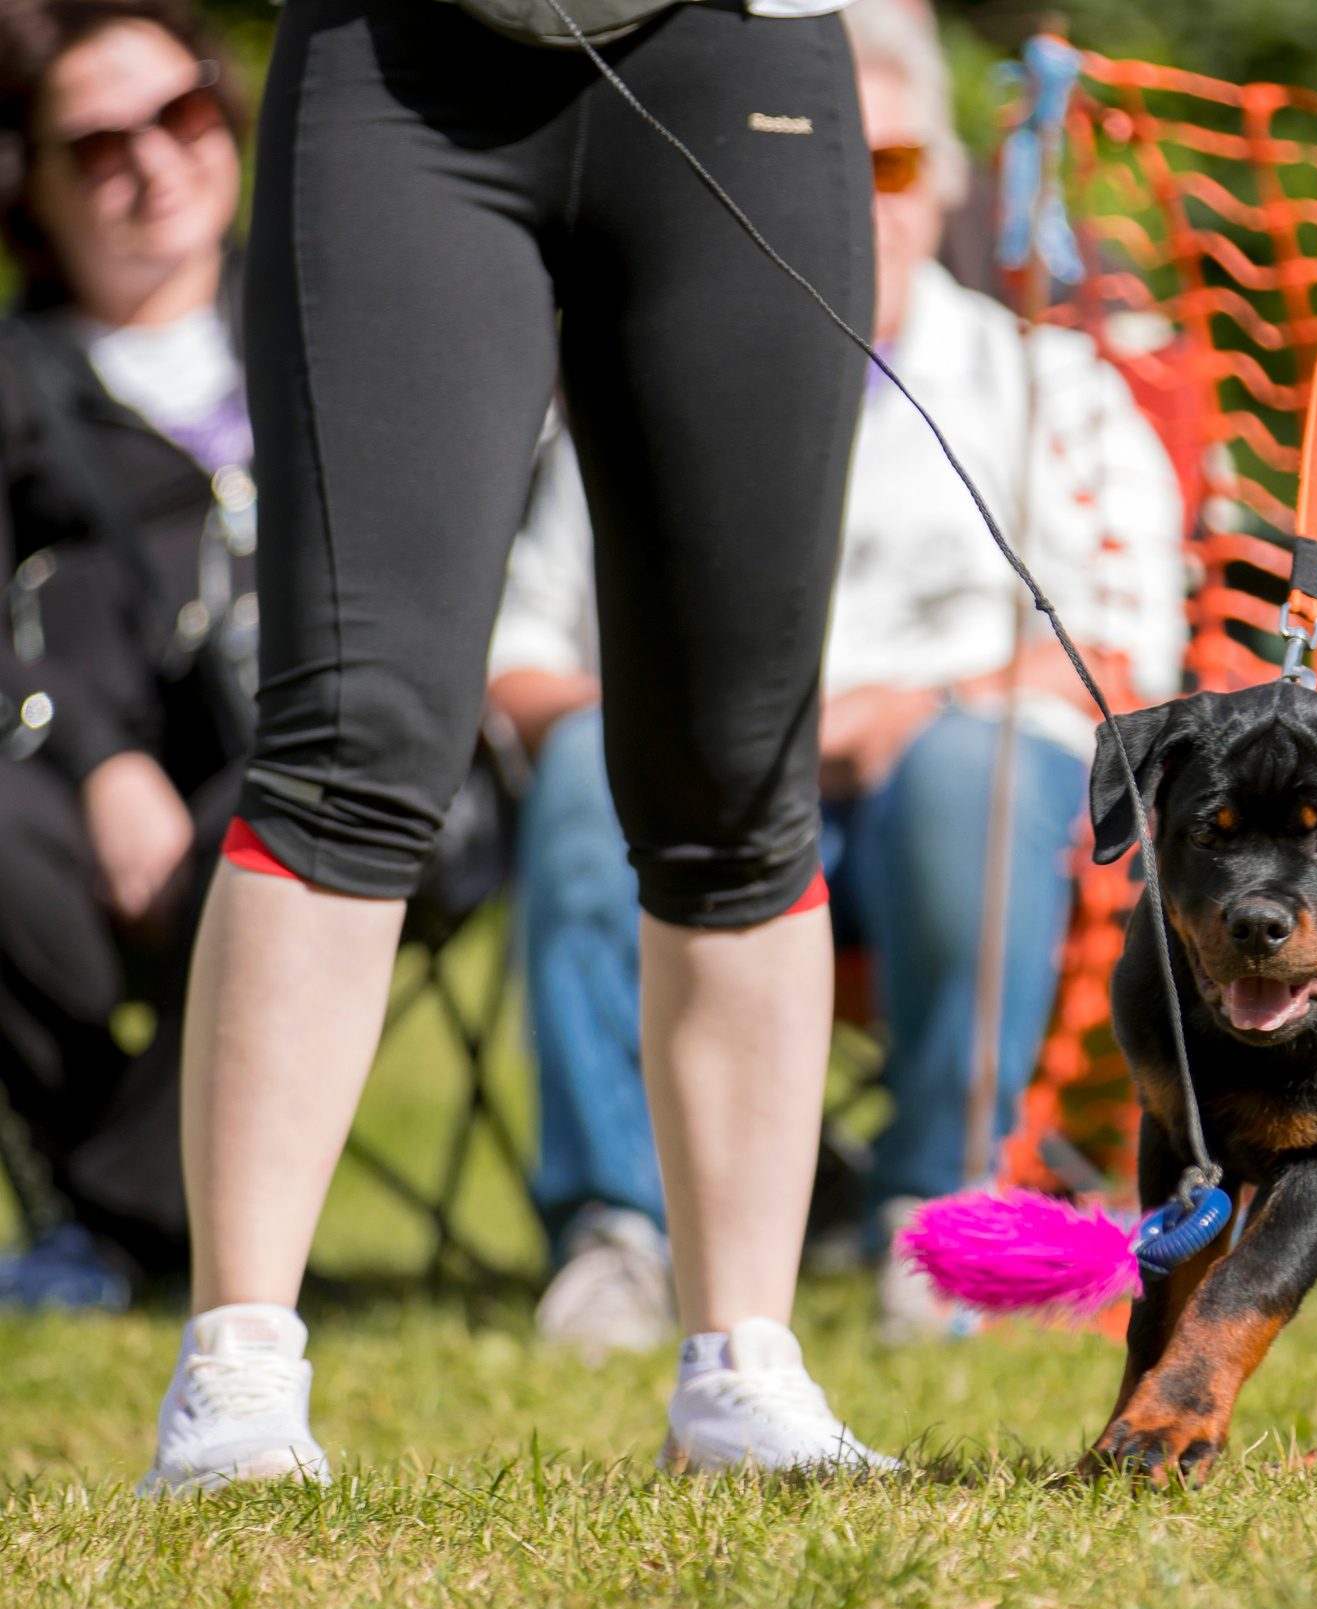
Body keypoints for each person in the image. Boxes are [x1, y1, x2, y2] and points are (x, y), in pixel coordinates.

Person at [138, 0, 892, 1491]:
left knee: (738, 765)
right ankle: (236, 1373)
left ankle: (743, 1370)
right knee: (351, 739)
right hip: (400, 65)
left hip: (740, 60)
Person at [487, 0, 1187, 1350]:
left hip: (943, 795)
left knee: (975, 767)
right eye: (815, 157)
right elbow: (516, 662)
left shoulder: (1049, 385)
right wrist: (682, 725)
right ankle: (617, 1235)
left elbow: (1125, 658)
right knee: (583, 760)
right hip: (695, 804)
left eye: (895, 163)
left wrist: (921, 707)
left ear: (949, 181)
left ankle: (937, 1213)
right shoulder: (639, 383)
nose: (860, 198)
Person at [0, 0, 255, 1313]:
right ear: (31, 186)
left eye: (183, 113)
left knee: (306, 828)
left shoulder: (338, 322)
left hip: (331, 767)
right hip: (75, 776)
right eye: (99, 146)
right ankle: (147, 1195)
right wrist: (98, 761)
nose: (154, 162)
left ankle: (107, 1217)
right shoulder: (18, 377)